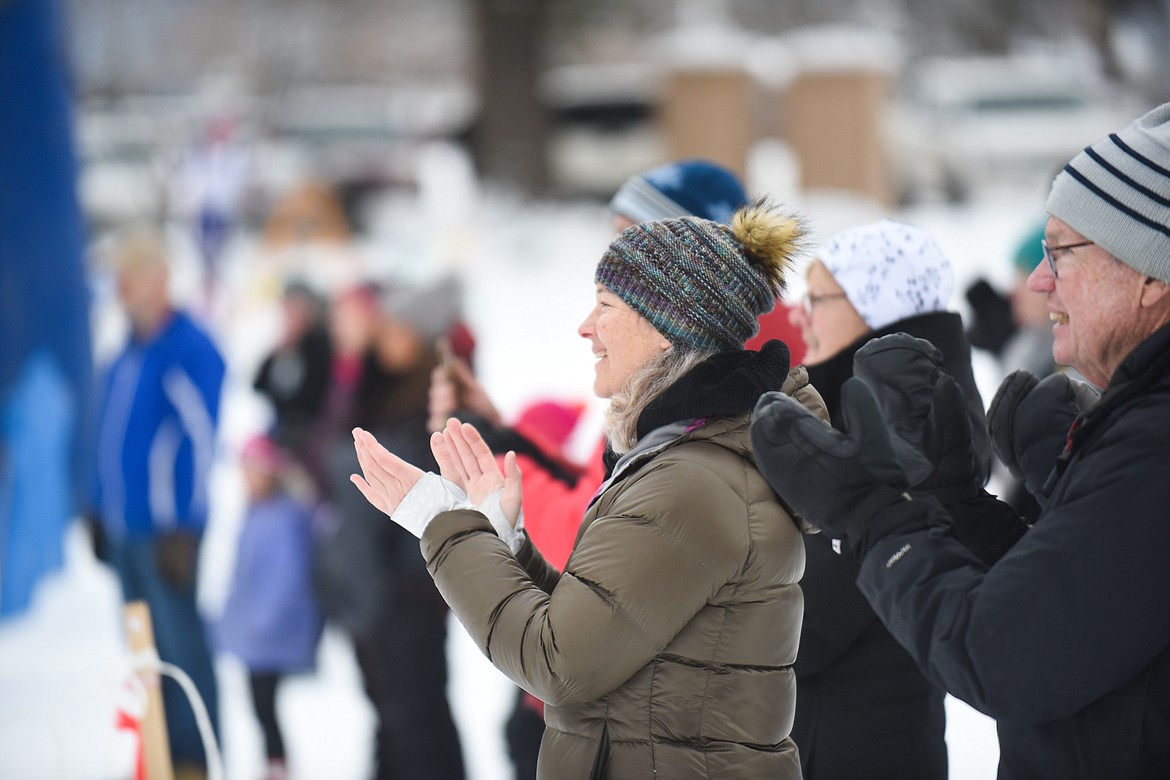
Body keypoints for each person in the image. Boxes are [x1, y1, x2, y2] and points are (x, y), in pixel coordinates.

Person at [749, 102, 1170, 778]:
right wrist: (958, 504)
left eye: (1060, 253)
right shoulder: (1141, 421)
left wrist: (867, 513)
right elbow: (1069, 605)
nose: (1036, 280)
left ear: (1151, 273)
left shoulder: (1155, 444)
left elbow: (1003, 653)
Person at [351, 199, 820, 778]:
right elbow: (599, 624)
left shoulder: (690, 482)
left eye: (605, 305)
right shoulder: (682, 460)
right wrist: (506, 542)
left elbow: (559, 662)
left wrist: (445, 527)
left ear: (666, 325)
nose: (585, 326)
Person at [782, 218, 1019, 779]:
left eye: (817, 297)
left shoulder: (905, 419)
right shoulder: (871, 396)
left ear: (876, 306)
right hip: (841, 732)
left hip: (859, 746)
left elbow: (807, 626)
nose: (800, 313)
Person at [312, 276, 468, 780]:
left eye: (399, 332)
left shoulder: (435, 406)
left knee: (418, 719)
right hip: (371, 591)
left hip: (407, 593)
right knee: (393, 720)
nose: (385, 339)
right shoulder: (373, 391)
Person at [89, 227, 225, 780]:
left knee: (179, 647)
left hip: (167, 530)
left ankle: (192, 761)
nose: (121, 288)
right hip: (124, 526)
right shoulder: (126, 348)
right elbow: (109, 434)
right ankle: (158, 753)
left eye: (131, 276)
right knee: (142, 649)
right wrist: (97, 506)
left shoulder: (187, 347)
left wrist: (185, 526)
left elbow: (199, 439)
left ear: (159, 279)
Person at [215, 435, 322, 780]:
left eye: (253, 470)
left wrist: (264, 621)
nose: (246, 478)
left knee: (264, 705)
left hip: (270, 634)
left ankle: (277, 766)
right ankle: (273, 764)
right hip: (254, 632)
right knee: (259, 705)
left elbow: (288, 578)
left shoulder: (284, 519)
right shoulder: (253, 513)